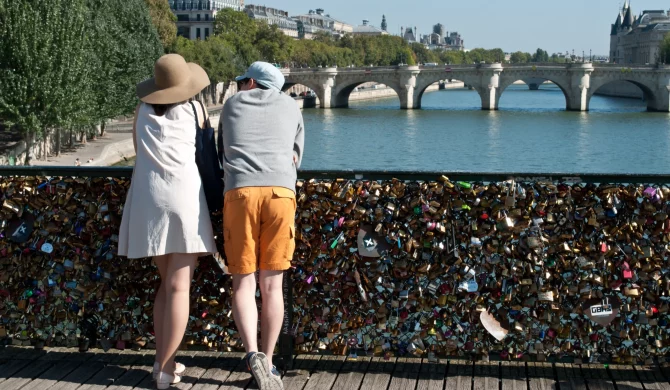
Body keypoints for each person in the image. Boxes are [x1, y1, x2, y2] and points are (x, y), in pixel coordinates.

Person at [118, 54, 216, 389]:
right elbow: (206, 156)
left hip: (148, 198)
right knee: (179, 287)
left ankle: (162, 361)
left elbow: (138, 150)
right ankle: (166, 369)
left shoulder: (141, 111)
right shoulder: (196, 110)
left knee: (166, 284)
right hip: (185, 196)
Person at [220, 61, 304, 390]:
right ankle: (268, 363)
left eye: (242, 81)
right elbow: (297, 156)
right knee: (272, 286)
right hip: (281, 193)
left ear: (251, 82)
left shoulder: (231, 104)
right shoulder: (291, 105)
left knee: (243, 283)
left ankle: (252, 353)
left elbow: (221, 151)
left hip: (239, 192)